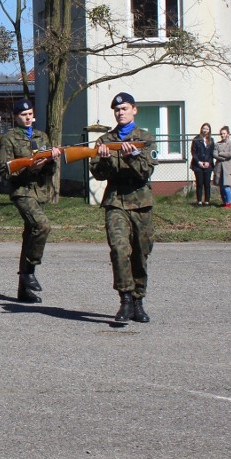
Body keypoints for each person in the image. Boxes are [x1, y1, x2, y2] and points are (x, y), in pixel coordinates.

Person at [91, 92, 157, 324]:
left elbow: (146, 172)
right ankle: (125, 299)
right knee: (119, 250)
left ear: (134, 110)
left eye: (125, 108)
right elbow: (98, 174)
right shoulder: (105, 140)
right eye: (117, 110)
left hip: (141, 203)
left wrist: (132, 156)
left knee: (140, 252)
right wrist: (105, 159)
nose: (121, 112)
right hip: (116, 202)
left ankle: (138, 300)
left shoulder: (145, 138)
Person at [0, 99, 61, 303]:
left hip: (39, 191)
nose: (27, 118)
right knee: (42, 226)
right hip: (22, 190)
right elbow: (4, 170)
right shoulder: (8, 138)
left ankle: (23, 290)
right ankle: (29, 271)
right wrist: (30, 168)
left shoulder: (41, 136)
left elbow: (51, 169)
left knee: (30, 235)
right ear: (16, 117)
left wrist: (50, 161)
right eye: (23, 115)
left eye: (30, 114)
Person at [190, 123, 215, 206]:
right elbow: (193, 152)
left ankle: (207, 201)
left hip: (208, 165)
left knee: (207, 184)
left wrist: (208, 162)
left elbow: (212, 153)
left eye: (207, 129)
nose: (205, 130)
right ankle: (199, 201)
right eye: (204, 128)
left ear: (209, 130)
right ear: (201, 129)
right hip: (198, 166)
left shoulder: (211, 140)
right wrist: (199, 162)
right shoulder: (196, 139)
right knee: (199, 183)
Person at [213, 126, 231, 209]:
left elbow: (230, 154)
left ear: (228, 134)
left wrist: (221, 153)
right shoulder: (217, 144)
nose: (222, 135)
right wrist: (222, 156)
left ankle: (229, 203)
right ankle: (224, 203)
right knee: (221, 187)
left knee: (226, 186)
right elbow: (214, 154)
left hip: (227, 168)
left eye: (224, 133)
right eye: (221, 133)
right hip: (219, 167)